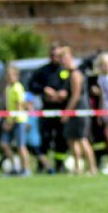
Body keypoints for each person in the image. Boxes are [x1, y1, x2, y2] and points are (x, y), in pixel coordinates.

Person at [27, 43, 69, 173]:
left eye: (57, 55)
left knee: (61, 139)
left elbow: (71, 87)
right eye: (52, 55)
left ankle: (59, 164)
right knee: (45, 137)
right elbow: (31, 85)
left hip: (62, 109)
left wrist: (64, 92)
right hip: (47, 110)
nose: (55, 58)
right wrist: (44, 90)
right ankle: (42, 164)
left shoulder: (65, 71)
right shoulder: (42, 71)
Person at [60, 46, 98, 176]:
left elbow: (76, 95)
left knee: (82, 139)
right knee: (71, 139)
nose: (61, 62)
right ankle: (77, 167)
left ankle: (92, 168)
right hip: (74, 110)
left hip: (79, 110)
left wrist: (67, 112)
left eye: (63, 58)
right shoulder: (69, 74)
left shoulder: (76, 74)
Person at [0, 64, 32, 177]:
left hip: (19, 120)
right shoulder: (8, 88)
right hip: (10, 120)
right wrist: (6, 120)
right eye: (7, 75)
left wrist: (10, 123)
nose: (8, 77)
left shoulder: (18, 88)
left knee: (21, 146)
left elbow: (19, 108)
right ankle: (15, 167)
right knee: (4, 144)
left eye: (10, 75)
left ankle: (26, 169)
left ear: (16, 76)